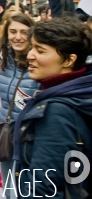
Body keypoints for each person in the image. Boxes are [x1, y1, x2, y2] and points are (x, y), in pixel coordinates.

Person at [13, 17, 92, 198]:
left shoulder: (57, 110)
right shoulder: (78, 92)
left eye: (40, 50)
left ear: (69, 60)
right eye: (32, 47)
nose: (30, 55)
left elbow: (44, 187)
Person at [0, 13, 38, 197]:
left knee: (26, 188)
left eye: (23, 32)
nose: (17, 37)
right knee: (8, 187)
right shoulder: (5, 58)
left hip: (29, 136)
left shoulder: (38, 61)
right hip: (6, 132)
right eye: (13, 32)